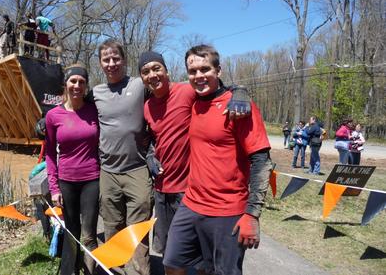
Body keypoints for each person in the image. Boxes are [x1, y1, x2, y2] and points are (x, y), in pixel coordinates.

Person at [163, 45, 272, 275]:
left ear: (218, 70)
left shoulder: (239, 107)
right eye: (192, 71)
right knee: (172, 263)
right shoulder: (194, 102)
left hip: (227, 210)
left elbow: (261, 161)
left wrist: (252, 214)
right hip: (191, 203)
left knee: (219, 271)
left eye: (205, 69)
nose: (199, 76)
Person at [139, 50, 252, 257]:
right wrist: (149, 156)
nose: (152, 75)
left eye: (157, 68)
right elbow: (149, 138)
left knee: (198, 254)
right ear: (142, 78)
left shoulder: (186, 92)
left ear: (167, 71)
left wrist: (240, 91)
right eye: (146, 71)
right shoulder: (147, 106)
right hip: (161, 186)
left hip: (189, 190)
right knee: (168, 252)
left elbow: (216, 89)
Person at [92, 39, 153, 275]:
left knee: (137, 229)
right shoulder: (95, 92)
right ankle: (114, 271)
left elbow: (168, 92)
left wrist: (234, 91)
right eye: (106, 59)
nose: (111, 63)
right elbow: (72, 107)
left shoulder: (139, 85)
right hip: (107, 171)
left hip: (137, 168)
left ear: (124, 60)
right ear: (100, 63)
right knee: (112, 227)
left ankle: (139, 272)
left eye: (116, 58)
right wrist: (46, 120)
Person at [45, 64, 100, 275]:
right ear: (66, 84)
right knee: (71, 231)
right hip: (66, 181)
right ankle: (69, 270)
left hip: (92, 179)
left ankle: (89, 270)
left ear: (86, 86)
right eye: (73, 81)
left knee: (88, 234)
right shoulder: (53, 116)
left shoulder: (93, 110)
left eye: (82, 82)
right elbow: (50, 153)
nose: (77, 85)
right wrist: (54, 187)